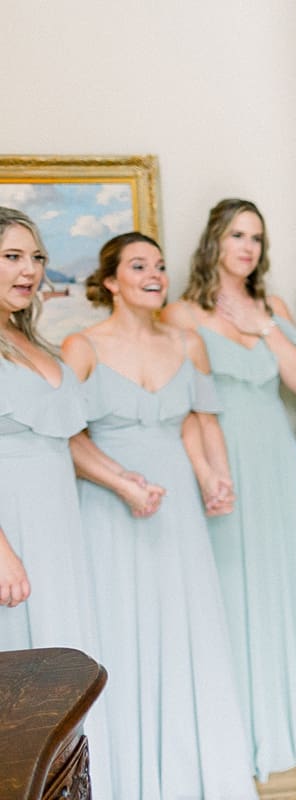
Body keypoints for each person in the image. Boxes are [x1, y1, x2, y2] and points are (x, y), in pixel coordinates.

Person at [62, 232, 257, 798]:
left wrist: (213, 477)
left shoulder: (187, 343)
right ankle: (127, 774)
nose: (154, 274)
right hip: (108, 503)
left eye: (161, 266)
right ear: (110, 282)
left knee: (185, 627)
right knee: (122, 629)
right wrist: (120, 482)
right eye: (139, 265)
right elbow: (65, 437)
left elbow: (197, 421)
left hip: (176, 506)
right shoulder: (82, 346)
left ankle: (191, 770)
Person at [163, 198, 296, 779]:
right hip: (222, 456)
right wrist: (206, 470)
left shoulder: (272, 307)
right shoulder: (182, 314)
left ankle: (288, 725)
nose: (248, 247)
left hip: (276, 455)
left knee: (280, 581)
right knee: (228, 585)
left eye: (256, 237)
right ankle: (235, 732)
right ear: (214, 243)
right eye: (236, 235)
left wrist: (264, 328)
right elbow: (178, 402)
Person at [0, 207, 126, 800]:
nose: (30, 270)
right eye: (12, 256)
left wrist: (127, 481)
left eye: (37, 257)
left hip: (58, 525)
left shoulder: (32, 341)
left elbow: (67, 440)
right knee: (22, 681)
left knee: (64, 661)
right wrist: (2, 551)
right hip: (12, 529)